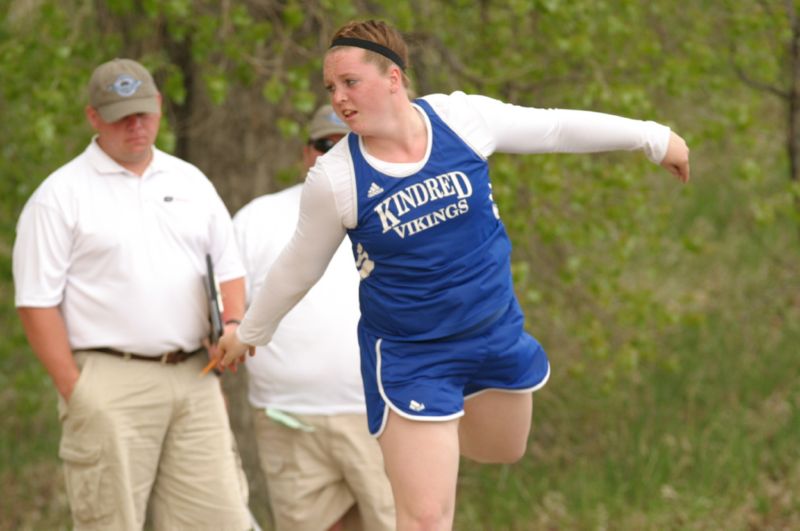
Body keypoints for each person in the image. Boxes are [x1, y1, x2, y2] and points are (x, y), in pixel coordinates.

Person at [217, 19, 691, 531]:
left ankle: (431, 432)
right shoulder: (336, 178)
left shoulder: (460, 119)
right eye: (331, 88)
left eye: (350, 83)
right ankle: (414, 433)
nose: (339, 99)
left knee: (505, 449)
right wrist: (250, 333)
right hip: (412, 356)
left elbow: (554, 127)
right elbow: (297, 267)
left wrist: (653, 137)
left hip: (492, 332)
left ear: (393, 77)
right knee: (424, 518)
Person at [12, 58, 251, 531]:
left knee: (221, 519)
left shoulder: (190, 181)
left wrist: (234, 325)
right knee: (110, 522)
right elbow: (36, 303)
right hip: (108, 380)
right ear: (94, 117)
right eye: (121, 115)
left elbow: (229, 269)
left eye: (143, 111)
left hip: (193, 374)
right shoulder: (59, 195)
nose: (135, 125)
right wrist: (77, 392)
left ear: (159, 107)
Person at [233, 104, 395, 531]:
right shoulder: (256, 218)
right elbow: (227, 314)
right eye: (325, 145)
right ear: (307, 153)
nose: (336, 154)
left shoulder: (400, 210)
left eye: (349, 144)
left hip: (386, 414)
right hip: (289, 419)